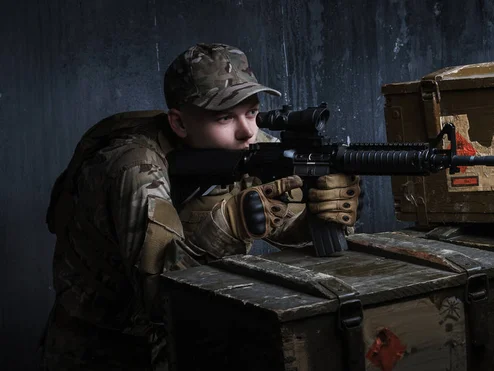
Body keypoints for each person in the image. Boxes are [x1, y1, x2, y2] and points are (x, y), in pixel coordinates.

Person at [40, 43, 361, 370]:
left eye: (252, 112)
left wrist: (319, 215)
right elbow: (159, 298)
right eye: (224, 117)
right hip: (101, 346)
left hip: (188, 337)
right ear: (179, 124)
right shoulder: (134, 167)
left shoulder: (246, 144)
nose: (247, 131)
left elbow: (289, 223)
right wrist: (229, 226)